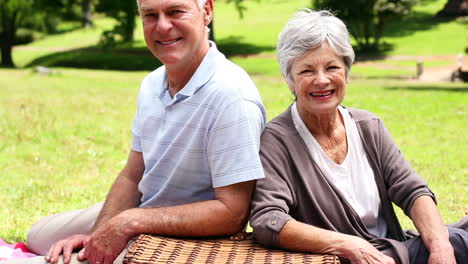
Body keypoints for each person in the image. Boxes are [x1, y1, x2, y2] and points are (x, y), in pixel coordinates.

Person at [4, 0, 266, 264]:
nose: (162, 26)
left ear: (206, 11)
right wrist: (101, 232)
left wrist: (130, 222)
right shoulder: (152, 83)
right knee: (38, 235)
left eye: (175, 12)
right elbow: (132, 175)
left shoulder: (232, 96)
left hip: (188, 238)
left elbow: (232, 214)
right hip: (144, 212)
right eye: (150, 15)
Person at [249, 9, 468, 264]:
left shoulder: (368, 126)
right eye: (307, 71)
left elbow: (411, 190)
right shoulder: (277, 141)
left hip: (395, 250)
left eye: (332, 67)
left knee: (453, 241)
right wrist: (347, 244)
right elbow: (269, 220)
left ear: (347, 73)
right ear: (289, 80)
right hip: (348, 259)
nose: (322, 80)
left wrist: (441, 247)